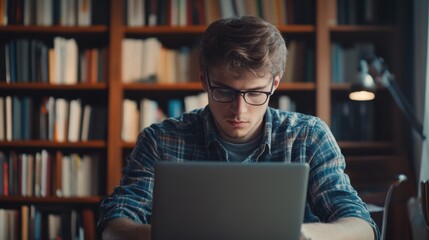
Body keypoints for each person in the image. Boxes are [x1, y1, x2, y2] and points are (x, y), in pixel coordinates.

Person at [97, 16, 379, 240]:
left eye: (256, 93)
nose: (239, 110)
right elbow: (114, 223)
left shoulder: (308, 136)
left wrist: (305, 235)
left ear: (275, 83)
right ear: (204, 81)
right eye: (224, 91)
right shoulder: (160, 140)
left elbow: (361, 225)